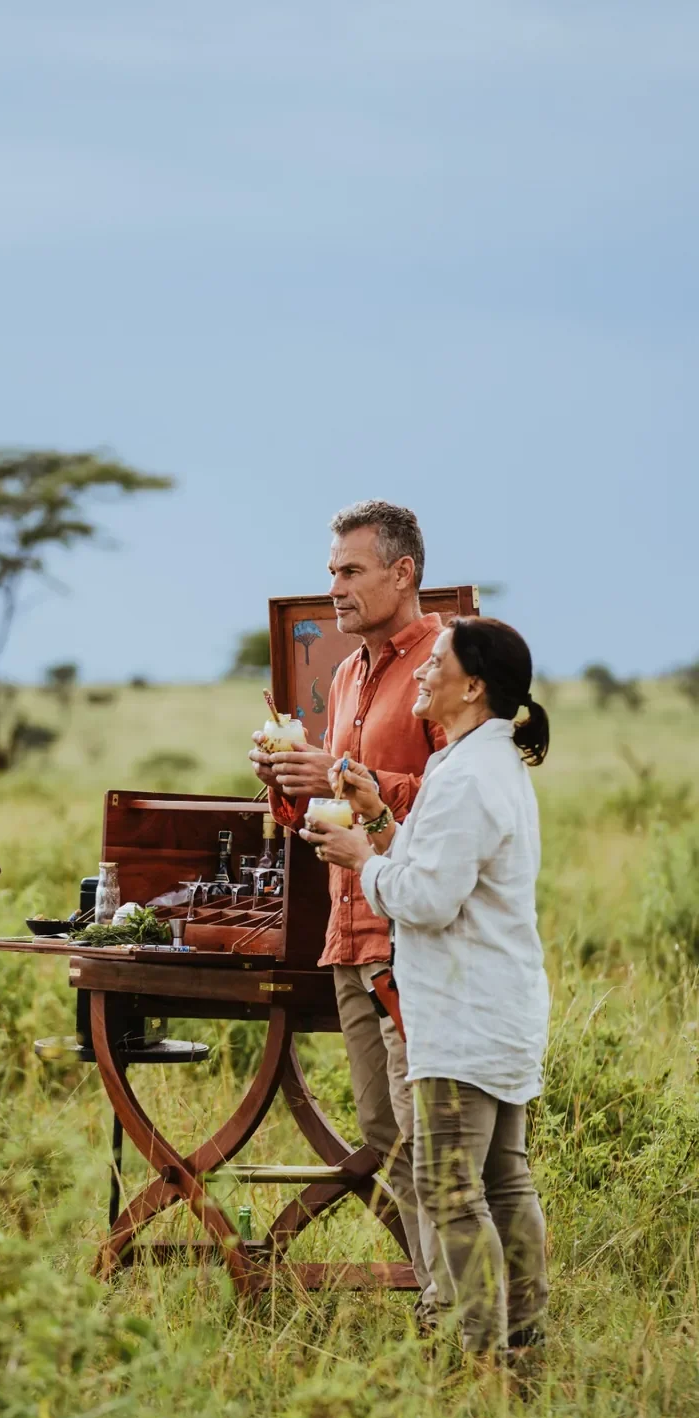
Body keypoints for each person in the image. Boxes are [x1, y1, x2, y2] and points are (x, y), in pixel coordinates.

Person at [301, 617, 550, 1359]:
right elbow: (431, 863)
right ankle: (521, 1342)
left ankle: (483, 1352)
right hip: (497, 1006)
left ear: (472, 686)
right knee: (503, 1181)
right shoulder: (478, 761)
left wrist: (361, 859)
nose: (421, 671)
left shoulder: (468, 774)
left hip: (461, 1017)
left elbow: (429, 899)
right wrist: (380, 818)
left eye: (435, 663)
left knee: (449, 1189)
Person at [249, 500, 448, 1314]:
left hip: (413, 933)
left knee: (429, 1135)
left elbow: (460, 802)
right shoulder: (345, 672)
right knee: (388, 1137)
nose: (334, 586)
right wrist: (289, 781)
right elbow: (327, 811)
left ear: (402, 572)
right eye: (331, 571)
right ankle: (443, 1296)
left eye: (351, 570)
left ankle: (459, 1311)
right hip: (349, 931)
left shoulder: (446, 664)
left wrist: (343, 775)